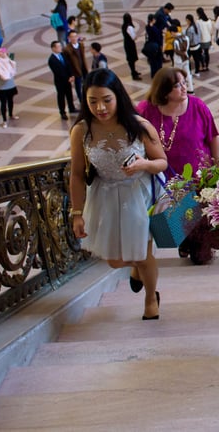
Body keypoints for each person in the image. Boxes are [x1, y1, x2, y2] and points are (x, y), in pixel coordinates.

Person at [69, 69, 168, 321]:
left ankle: (150, 298)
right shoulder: (81, 131)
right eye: (93, 101)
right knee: (115, 260)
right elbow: (77, 174)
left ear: (118, 97)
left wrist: (143, 164)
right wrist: (77, 213)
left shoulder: (139, 126)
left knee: (143, 254)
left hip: (138, 193)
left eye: (106, 99)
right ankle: (135, 269)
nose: (100, 107)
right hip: (105, 196)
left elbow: (162, 162)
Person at [136, 67, 219, 265]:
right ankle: (185, 240)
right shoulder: (146, 110)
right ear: (164, 91)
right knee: (175, 220)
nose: (184, 88)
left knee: (200, 247)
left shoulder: (197, 106)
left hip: (198, 177)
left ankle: (196, 245)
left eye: (184, 82)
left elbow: (213, 137)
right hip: (165, 179)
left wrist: (218, 167)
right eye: (177, 85)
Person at [48, 40, 78, 120]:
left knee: (69, 94)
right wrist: (67, 78)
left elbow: (68, 65)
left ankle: (72, 108)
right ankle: (62, 112)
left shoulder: (62, 55)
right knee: (61, 97)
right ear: (53, 48)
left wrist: (71, 75)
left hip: (68, 79)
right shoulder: (52, 60)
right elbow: (58, 72)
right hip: (60, 81)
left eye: (60, 46)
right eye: (58, 47)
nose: (60, 48)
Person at [0, 47, 18, 128]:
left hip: (10, 84)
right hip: (2, 86)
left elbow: (13, 71)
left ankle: (11, 114)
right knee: (3, 103)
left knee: (11, 101)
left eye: (3, 52)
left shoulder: (10, 61)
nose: (2, 53)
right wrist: (5, 75)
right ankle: (4, 120)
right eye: (0, 52)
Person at [65, 30, 88, 104]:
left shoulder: (81, 45)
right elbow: (67, 63)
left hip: (83, 68)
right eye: (72, 37)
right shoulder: (67, 49)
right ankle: (81, 100)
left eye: (75, 36)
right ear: (69, 38)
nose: (74, 38)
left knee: (86, 84)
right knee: (78, 86)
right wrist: (71, 74)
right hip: (75, 70)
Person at [121, 13, 144, 81]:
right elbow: (133, 37)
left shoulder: (123, 26)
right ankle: (133, 73)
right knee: (131, 58)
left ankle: (133, 71)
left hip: (126, 43)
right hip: (130, 44)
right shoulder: (129, 27)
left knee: (130, 58)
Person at [195, 7, 214, 73]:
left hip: (201, 40)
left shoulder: (198, 22)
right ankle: (207, 66)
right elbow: (210, 30)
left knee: (200, 53)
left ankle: (203, 65)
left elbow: (197, 31)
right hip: (207, 39)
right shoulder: (208, 21)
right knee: (206, 53)